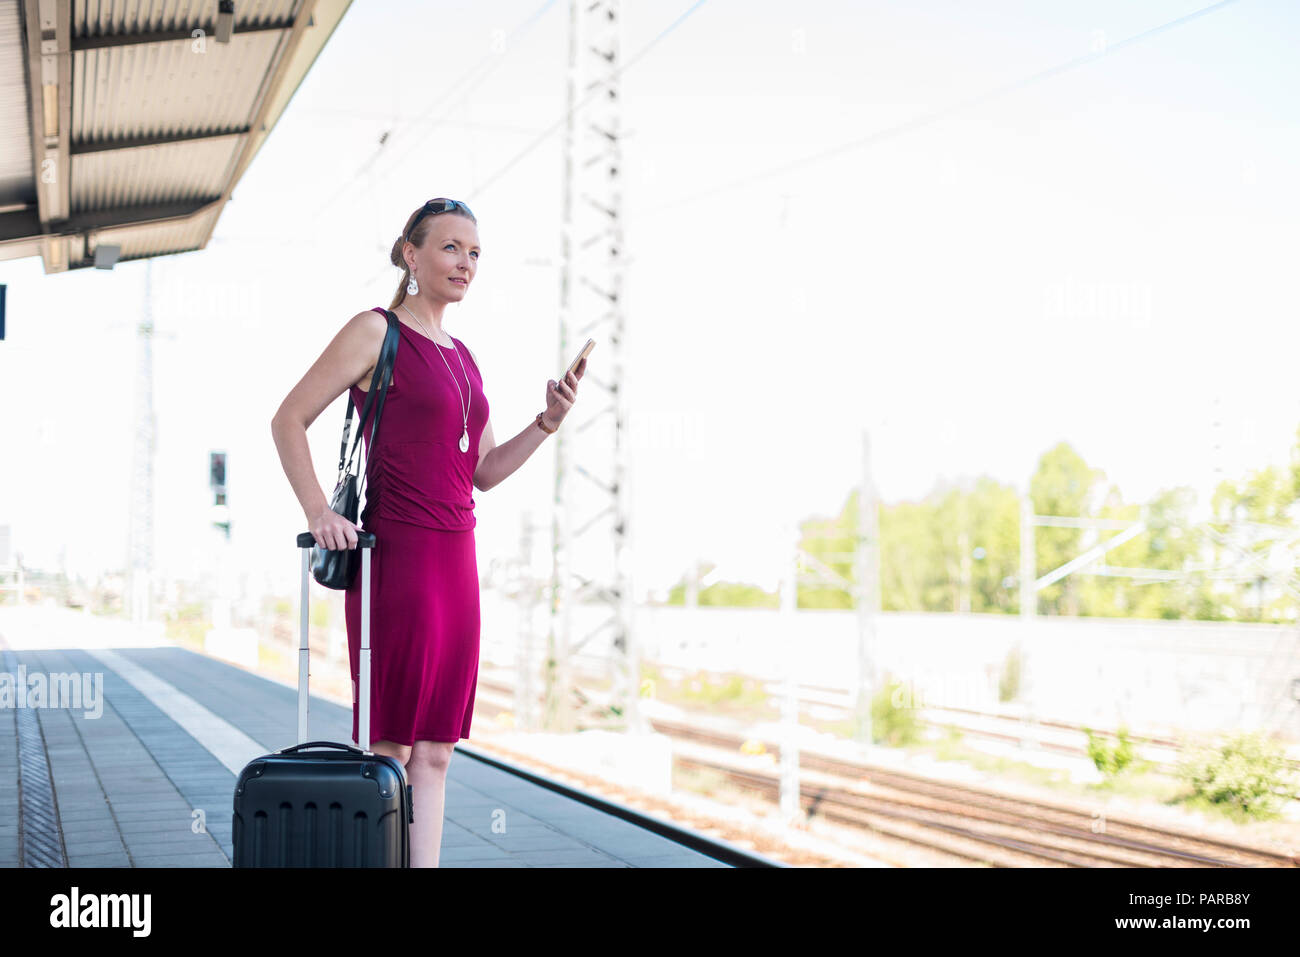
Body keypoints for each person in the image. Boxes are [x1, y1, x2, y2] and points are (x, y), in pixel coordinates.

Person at [270, 197, 587, 867]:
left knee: (438, 749)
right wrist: (317, 512)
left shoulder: (466, 358)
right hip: (400, 560)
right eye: (451, 247)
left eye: (474, 253)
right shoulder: (376, 330)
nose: (465, 263)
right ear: (412, 255)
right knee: (391, 745)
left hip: (456, 563)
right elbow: (288, 417)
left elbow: (485, 471)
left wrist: (548, 422)